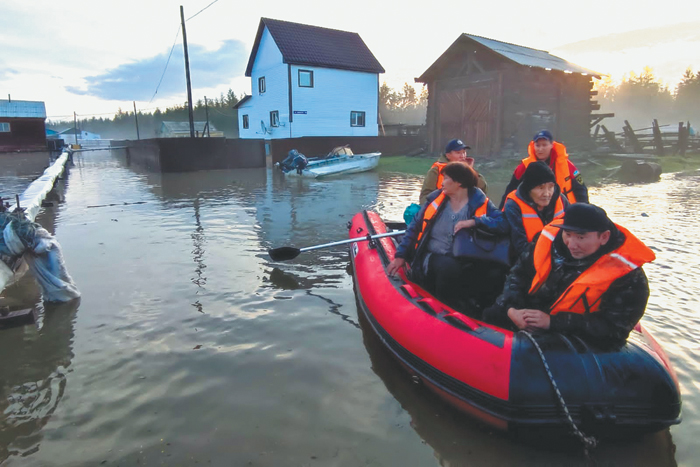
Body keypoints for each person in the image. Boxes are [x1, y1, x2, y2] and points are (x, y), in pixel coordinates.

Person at [482, 203, 655, 345]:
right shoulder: (546, 243)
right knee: (491, 314)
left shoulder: (629, 276)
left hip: (572, 336)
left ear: (604, 237)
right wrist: (512, 309)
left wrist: (552, 323)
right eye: (568, 234)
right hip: (526, 314)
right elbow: (518, 275)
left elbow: (614, 327)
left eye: (581, 237)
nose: (571, 244)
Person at [388, 162, 507, 313]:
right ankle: (447, 312)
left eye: (446, 178)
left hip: (467, 257)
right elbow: (414, 228)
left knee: (495, 273)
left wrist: (475, 221)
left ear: (459, 183)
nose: (442, 182)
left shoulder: (480, 202)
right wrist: (401, 256)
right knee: (449, 268)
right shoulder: (436, 200)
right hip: (433, 256)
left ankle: (481, 313)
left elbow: (502, 223)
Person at [498, 130, 588, 209]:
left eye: (544, 145)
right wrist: (501, 212)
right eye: (537, 145)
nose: (540, 149)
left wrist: (585, 210)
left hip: (565, 210)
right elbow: (510, 191)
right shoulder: (524, 167)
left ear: (552, 145)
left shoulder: (567, 165)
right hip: (536, 209)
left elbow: (581, 189)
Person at [503, 161, 569, 257]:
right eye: (540, 188)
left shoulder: (561, 199)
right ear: (529, 189)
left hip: (559, 255)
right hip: (526, 259)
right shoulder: (513, 205)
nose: (547, 194)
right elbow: (520, 247)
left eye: (551, 187)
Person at [419, 139, 488, 206]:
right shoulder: (436, 171)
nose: (462, 156)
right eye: (458, 153)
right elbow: (424, 196)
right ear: (448, 155)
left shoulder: (469, 169)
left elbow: (483, 188)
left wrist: (470, 171)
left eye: (464, 152)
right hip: (441, 210)